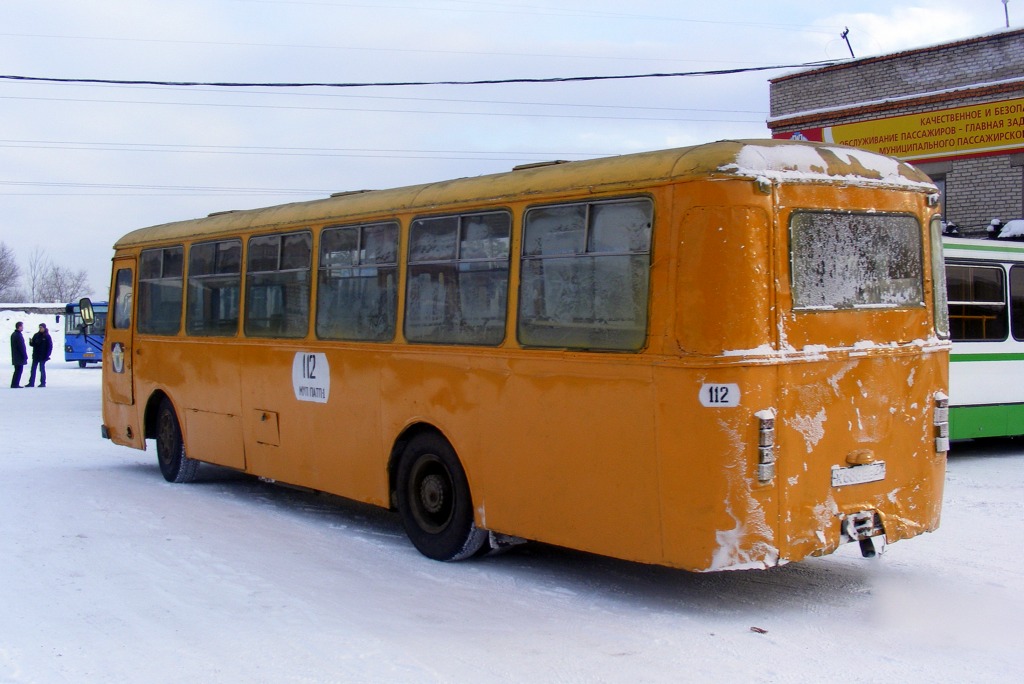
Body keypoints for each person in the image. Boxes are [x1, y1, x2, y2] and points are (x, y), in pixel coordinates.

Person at [27, 323, 53, 388]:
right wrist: (31, 342)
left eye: (41, 328)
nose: (40, 329)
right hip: (36, 355)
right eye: (39, 327)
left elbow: (50, 346)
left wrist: (47, 355)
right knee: (33, 369)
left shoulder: (47, 336)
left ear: (44, 328)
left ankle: (43, 382)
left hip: (43, 356)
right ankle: (31, 382)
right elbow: (33, 344)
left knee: (42, 369)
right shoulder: (36, 335)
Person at [10, 321, 27, 388]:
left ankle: (14, 383)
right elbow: (21, 346)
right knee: (19, 370)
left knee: (17, 370)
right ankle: (15, 384)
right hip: (19, 356)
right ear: (19, 327)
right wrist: (25, 355)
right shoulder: (18, 335)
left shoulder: (14, 334)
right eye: (22, 326)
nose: (23, 327)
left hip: (15, 356)